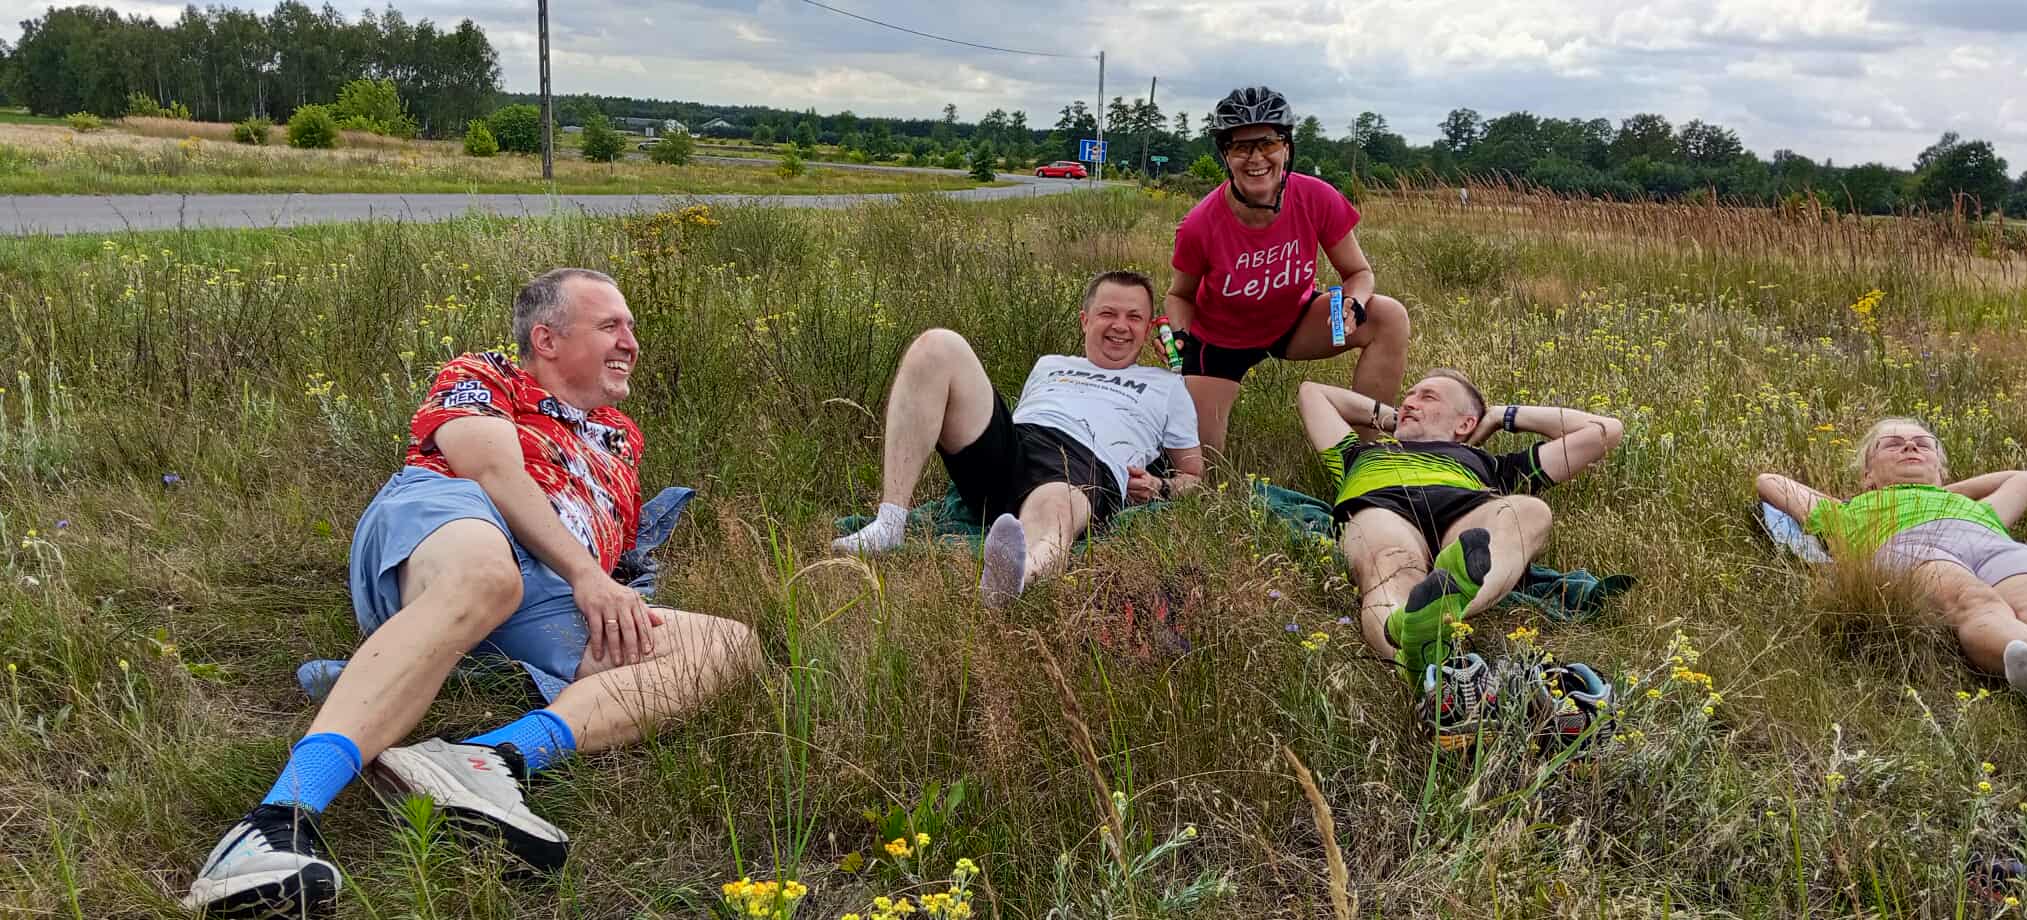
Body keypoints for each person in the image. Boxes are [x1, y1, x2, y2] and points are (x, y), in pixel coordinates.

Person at [184, 269, 761, 917]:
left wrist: (611, 587)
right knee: (489, 577)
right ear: (546, 339)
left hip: (547, 586)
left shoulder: (620, 437)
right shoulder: (486, 374)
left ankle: (489, 759)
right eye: (610, 326)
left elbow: (611, 548)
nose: (630, 341)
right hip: (451, 522)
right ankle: (274, 822)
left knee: (726, 645)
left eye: (630, 327)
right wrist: (588, 577)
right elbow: (487, 469)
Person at [835, 270, 1203, 607]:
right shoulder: (1050, 364)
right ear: (1085, 320)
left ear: (1148, 328)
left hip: (1084, 462)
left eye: (1134, 317)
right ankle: (889, 522)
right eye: (1108, 313)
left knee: (1054, 505)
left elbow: (1193, 475)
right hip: (1015, 444)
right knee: (937, 345)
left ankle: (1015, 579)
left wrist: (1161, 486)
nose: (1120, 326)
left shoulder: (1168, 386)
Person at [1297, 373, 1622, 683]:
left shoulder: (1493, 466)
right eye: (1408, 396)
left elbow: (1605, 432)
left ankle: (1436, 614)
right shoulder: (1356, 454)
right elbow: (1312, 392)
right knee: (1390, 562)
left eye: (1428, 397)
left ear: (1465, 424)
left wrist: (1500, 416)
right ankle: (1415, 662)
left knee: (1530, 511)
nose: (1409, 401)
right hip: (1383, 506)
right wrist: (1397, 417)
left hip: (1467, 510)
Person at [1163, 85, 1412, 454]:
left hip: (1292, 321)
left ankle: (1367, 455)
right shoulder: (1200, 224)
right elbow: (1179, 295)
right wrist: (1180, 338)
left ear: (1287, 148)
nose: (1256, 158)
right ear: (1226, 155)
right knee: (1204, 464)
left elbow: (1358, 273)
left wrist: (1356, 302)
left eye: (1268, 143)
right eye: (1241, 147)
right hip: (1220, 341)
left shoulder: (1316, 197)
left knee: (1388, 315)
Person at [1756, 417, 2027, 700]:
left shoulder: (1978, 509)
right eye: (1893, 444)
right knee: (1974, 601)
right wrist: (1894, 491)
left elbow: (2022, 478)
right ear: (1867, 475)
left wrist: (1935, 490)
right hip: (1911, 546)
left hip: (1990, 542)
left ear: (1941, 469)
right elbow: (1770, 482)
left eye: (1923, 444)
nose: (1910, 446)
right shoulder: (1846, 511)